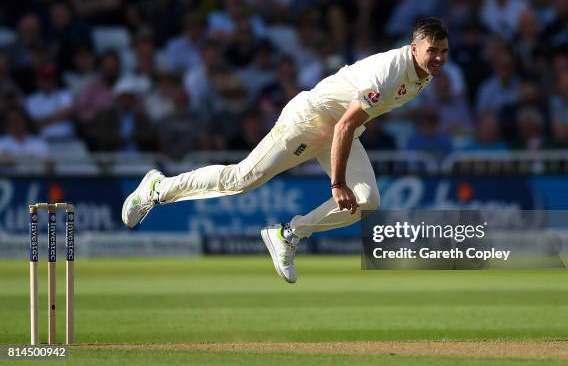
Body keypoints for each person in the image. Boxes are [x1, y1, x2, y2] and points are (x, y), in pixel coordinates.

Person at [121, 17, 449, 283]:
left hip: (338, 130)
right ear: (414, 47)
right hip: (309, 121)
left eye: (443, 52)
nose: (438, 58)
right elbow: (344, 126)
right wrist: (337, 184)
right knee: (241, 179)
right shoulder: (388, 72)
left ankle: (288, 234)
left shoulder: (425, 75)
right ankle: (158, 188)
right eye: (432, 50)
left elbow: (349, 125)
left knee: (367, 201)